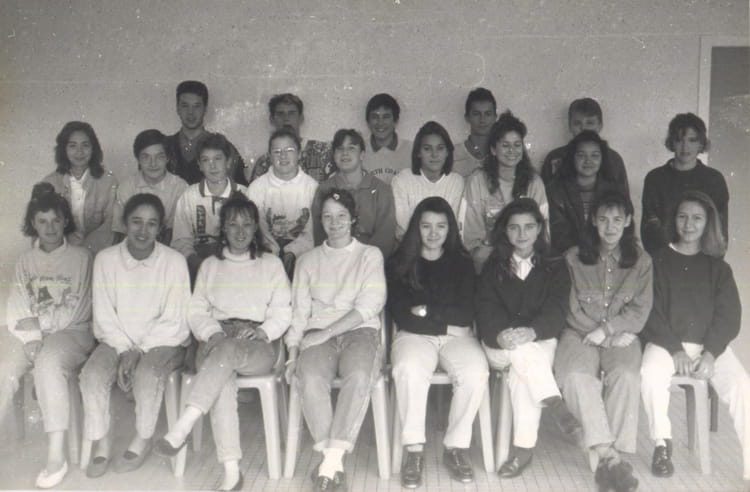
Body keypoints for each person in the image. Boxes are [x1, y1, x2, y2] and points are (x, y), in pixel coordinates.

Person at [154, 196, 292, 491]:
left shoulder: (271, 264)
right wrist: (213, 332)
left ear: (256, 228)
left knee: (226, 354)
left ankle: (183, 426)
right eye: (232, 225)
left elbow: (283, 310)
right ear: (223, 229)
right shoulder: (210, 265)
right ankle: (232, 470)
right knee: (222, 378)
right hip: (215, 337)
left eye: (247, 224)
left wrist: (263, 331)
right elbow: (196, 310)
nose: (240, 232)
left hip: (256, 342)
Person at [79, 193, 191, 478]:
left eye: (151, 224)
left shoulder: (174, 261)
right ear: (125, 223)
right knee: (92, 375)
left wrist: (140, 350)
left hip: (162, 341)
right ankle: (103, 440)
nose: (143, 231)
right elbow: (104, 317)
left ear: (160, 228)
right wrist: (125, 349)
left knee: (147, 374)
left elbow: (175, 320)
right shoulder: (105, 260)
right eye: (136, 222)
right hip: (116, 340)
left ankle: (143, 438)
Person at [640, 191, 749, 481]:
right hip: (666, 344)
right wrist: (675, 349)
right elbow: (650, 312)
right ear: (673, 220)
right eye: (682, 217)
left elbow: (729, 317)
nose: (689, 224)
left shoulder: (719, 268)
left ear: (708, 222)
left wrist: (711, 353)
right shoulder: (657, 262)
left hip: (708, 348)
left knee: (742, 385)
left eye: (697, 218)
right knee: (650, 374)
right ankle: (662, 445)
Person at [284, 189, 386, 491]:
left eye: (342, 216)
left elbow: (370, 305)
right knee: (309, 376)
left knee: (359, 375)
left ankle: (329, 463)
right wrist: (292, 355)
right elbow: (299, 313)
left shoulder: (369, 255)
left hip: (360, 331)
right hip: (317, 335)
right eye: (328, 216)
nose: (335, 222)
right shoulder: (307, 260)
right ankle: (334, 462)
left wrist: (326, 333)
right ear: (320, 220)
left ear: (353, 219)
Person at [554, 190, 652, 492]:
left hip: (622, 335)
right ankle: (611, 457)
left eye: (617, 220)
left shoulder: (642, 261)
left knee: (626, 375)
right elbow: (569, 308)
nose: (610, 227)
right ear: (593, 221)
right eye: (603, 219)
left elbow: (640, 310)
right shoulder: (573, 257)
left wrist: (608, 331)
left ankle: (608, 457)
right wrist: (602, 335)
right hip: (579, 333)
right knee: (575, 376)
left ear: (628, 221)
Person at [388, 196, 488, 488]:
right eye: (426, 226)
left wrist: (426, 310)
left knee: (475, 372)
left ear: (450, 229)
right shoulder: (400, 262)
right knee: (409, 369)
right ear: (416, 228)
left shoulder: (462, 263)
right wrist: (445, 320)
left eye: (441, 226)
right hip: (415, 336)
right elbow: (402, 316)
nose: (433, 233)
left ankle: (455, 447)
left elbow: (466, 312)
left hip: (458, 337)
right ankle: (414, 450)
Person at [475, 198, 580, 479]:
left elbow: (558, 309)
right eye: (514, 227)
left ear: (539, 229)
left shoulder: (555, 265)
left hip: (539, 339)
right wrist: (499, 334)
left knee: (523, 373)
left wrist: (533, 331)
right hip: (499, 344)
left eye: (529, 227)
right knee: (526, 357)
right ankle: (554, 403)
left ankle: (522, 450)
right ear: (505, 230)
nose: (522, 234)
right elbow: (485, 307)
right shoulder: (494, 264)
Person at [2, 183, 95, 488]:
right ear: (33, 223)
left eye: (56, 220)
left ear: (65, 221)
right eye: (42, 221)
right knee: (3, 366)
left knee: (48, 363)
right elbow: (18, 305)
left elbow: (79, 309)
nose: (50, 227)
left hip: (72, 332)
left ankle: (56, 456)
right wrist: (32, 338)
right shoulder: (25, 261)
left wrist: (41, 330)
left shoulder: (81, 258)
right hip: (31, 334)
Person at [463, 111, 548, 272]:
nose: (512, 151)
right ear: (493, 150)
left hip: (526, 261)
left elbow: (543, 232)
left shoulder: (534, 182)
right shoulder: (477, 181)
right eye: (505, 145)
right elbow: (471, 239)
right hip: (487, 262)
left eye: (517, 145)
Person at [641, 112, 729, 255]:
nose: (685, 146)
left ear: (701, 143)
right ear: (671, 143)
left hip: (704, 261)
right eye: (679, 140)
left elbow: (720, 232)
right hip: (663, 260)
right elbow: (649, 230)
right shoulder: (655, 179)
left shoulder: (714, 180)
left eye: (692, 140)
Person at [172, 133, 248, 283]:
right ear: (199, 165)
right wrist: (197, 263)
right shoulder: (189, 196)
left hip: (237, 263)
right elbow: (181, 241)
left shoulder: (245, 194)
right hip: (199, 264)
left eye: (218, 158)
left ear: (228, 162)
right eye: (206, 160)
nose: (212, 165)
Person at [312, 129, 396, 259]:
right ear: (334, 155)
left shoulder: (381, 189)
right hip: (333, 260)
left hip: (371, 262)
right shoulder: (324, 189)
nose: (345, 153)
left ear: (362, 154)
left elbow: (385, 236)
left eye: (351, 148)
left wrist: (365, 262)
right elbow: (319, 233)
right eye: (340, 149)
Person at [246, 128, 318, 278]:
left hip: (303, 253)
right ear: (269, 156)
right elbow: (258, 229)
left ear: (299, 154)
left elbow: (311, 232)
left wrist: (293, 252)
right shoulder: (257, 188)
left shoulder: (312, 187)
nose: (283, 156)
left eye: (289, 150)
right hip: (267, 252)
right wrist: (272, 252)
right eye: (277, 151)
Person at [547, 130, 628, 254]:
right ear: (572, 157)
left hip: (607, 251)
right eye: (581, 155)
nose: (588, 161)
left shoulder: (615, 188)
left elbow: (624, 227)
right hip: (569, 254)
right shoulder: (556, 189)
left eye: (595, 155)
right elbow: (559, 233)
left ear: (603, 158)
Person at [43, 121, 118, 254]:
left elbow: (111, 223)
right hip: (60, 252)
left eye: (85, 145)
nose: (79, 152)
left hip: (97, 252)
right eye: (72, 146)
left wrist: (86, 250)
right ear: (64, 149)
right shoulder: (50, 183)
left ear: (93, 148)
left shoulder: (109, 181)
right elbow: (43, 225)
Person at [164, 80, 248, 186]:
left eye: (197, 106)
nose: (190, 112)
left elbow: (239, 189)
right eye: (185, 106)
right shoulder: (164, 146)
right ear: (177, 108)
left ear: (205, 109)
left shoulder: (224, 147)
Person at [391, 121, 464, 241]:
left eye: (440, 148)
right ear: (418, 152)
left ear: (447, 152)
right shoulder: (402, 180)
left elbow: (454, 226)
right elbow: (403, 228)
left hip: (446, 247)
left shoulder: (457, 182)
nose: (434, 155)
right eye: (427, 149)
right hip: (411, 246)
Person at [112, 129, 188, 244]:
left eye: (159, 157)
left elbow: (176, 233)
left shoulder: (180, 188)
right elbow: (120, 232)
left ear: (168, 158)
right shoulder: (126, 187)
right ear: (138, 159)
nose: (153, 163)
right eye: (146, 157)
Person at [540, 98, 629, 192]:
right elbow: (543, 196)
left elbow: (623, 197)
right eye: (577, 123)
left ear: (600, 126)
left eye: (590, 123)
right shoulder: (554, 157)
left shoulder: (613, 159)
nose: (583, 128)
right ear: (569, 126)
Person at [249, 93, 335, 183]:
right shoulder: (264, 163)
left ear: (301, 118)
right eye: (280, 114)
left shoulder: (322, 152)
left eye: (291, 113)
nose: (286, 119)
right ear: (272, 119)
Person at [361, 93, 412, 184]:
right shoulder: (358, 150)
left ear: (395, 121)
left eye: (386, 117)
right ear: (368, 122)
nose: (380, 123)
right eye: (375, 117)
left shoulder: (411, 150)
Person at [452, 88, 498, 178]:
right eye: (476, 114)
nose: (482, 120)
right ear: (467, 117)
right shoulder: (453, 155)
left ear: (495, 117)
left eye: (488, 114)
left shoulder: (504, 154)